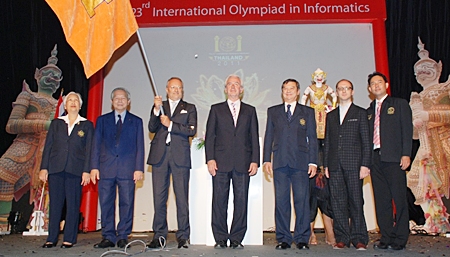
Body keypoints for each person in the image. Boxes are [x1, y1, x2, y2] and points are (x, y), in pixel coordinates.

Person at [0, 45, 61, 230]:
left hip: (49, 149)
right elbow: (12, 124)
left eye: (57, 77)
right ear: (37, 76)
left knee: (51, 184)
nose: (52, 79)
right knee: (4, 174)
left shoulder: (59, 103)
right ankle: (3, 222)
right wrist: (43, 125)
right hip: (24, 145)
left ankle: (44, 224)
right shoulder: (28, 95)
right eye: (48, 74)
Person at [205, 74, 259, 249]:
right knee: (219, 201)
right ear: (225, 89)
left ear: (242, 90)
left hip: (243, 162)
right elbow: (211, 136)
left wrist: (255, 160)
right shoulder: (216, 109)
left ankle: (237, 238)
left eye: (237, 84)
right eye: (230, 84)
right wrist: (210, 159)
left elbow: (253, 138)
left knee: (241, 201)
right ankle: (220, 237)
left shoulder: (250, 110)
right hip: (220, 162)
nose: (233, 87)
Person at [263, 78, 318, 250]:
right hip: (279, 162)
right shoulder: (273, 111)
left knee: (301, 201)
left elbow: (313, 138)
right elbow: (268, 136)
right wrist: (266, 159)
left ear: (298, 91)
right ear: (282, 91)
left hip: (301, 163)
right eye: (285, 88)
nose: (288, 91)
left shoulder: (307, 112)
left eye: (291, 88)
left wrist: (313, 162)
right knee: (281, 202)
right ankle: (283, 238)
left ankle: (302, 238)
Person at [90, 87, 144, 249]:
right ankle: (108, 236)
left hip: (128, 169)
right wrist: (94, 167)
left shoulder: (136, 121)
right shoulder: (102, 120)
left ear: (128, 102)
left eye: (123, 98)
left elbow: (140, 146)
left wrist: (139, 168)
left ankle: (122, 236)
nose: (120, 101)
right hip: (106, 168)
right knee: (106, 203)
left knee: (127, 203)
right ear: (112, 102)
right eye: (116, 98)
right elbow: (96, 145)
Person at [147, 77, 197, 249]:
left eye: (179, 88)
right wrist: (155, 110)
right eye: (173, 87)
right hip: (160, 157)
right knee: (159, 198)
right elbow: (152, 128)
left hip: (180, 157)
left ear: (182, 90)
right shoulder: (160, 107)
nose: (176, 90)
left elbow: (192, 130)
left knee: (182, 198)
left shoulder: (189, 108)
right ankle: (159, 235)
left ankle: (183, 235)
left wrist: (171, 124)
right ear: (167, 89)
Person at [39, 92, 93, 248]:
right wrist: (44, 168)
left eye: (76, 100)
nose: (73, 103)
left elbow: (89, 150)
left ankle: (69, 238)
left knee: (73, 205)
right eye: (70, 100)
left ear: (80, 105)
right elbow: (48, 147)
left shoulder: (87, 125)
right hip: (56, 169)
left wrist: (87, 170)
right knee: (55, 205)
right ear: (65, 105)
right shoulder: (56, 123)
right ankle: (52, 238)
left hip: (76, 170)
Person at [407, 38, 450, 234]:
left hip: (445, 140)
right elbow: (415, 133)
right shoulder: (417, 96)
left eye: (428, 67)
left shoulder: (445, 89)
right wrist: (416, 122)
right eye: (420, 69)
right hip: (426, 145)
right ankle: (435, 220)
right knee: (416, 181)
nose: (424, 72)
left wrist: (429, 116)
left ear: (438, 70)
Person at [323, 79, 371, 250]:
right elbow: (328, 142)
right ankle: (342, 237)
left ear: (352, 91)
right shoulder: (331, 115)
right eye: (340, 89)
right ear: (335, 92)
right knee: (337, 202)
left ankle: (359, 238)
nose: (343, 91)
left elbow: (366, 141)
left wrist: (365, 164)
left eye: (346, 88)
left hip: (354, 165)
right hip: (334, 165)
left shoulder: (360, 113)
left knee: (356, 201)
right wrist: (326, 165)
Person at [367, 72, 412, 251]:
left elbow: (406, 131)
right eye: (373, 83)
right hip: (375, 159)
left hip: (394, 158)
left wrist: (406, 154)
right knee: (381, 200)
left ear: (386, 85)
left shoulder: (399, 104)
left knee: (399, 199)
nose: (376, 85)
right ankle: (386, 237)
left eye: (379, 82)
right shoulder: (369, 110)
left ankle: (400, 238)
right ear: (369, 89)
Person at [301, 68, 336, 246]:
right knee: (310, 194)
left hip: (326, 160)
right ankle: (310, 233)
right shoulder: (306, 118)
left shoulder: (332, 121)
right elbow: (303, 99)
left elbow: (334, 96)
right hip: (310, 161)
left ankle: (330, 232)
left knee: (326, 193)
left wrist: (332, 107)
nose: (319, 78)